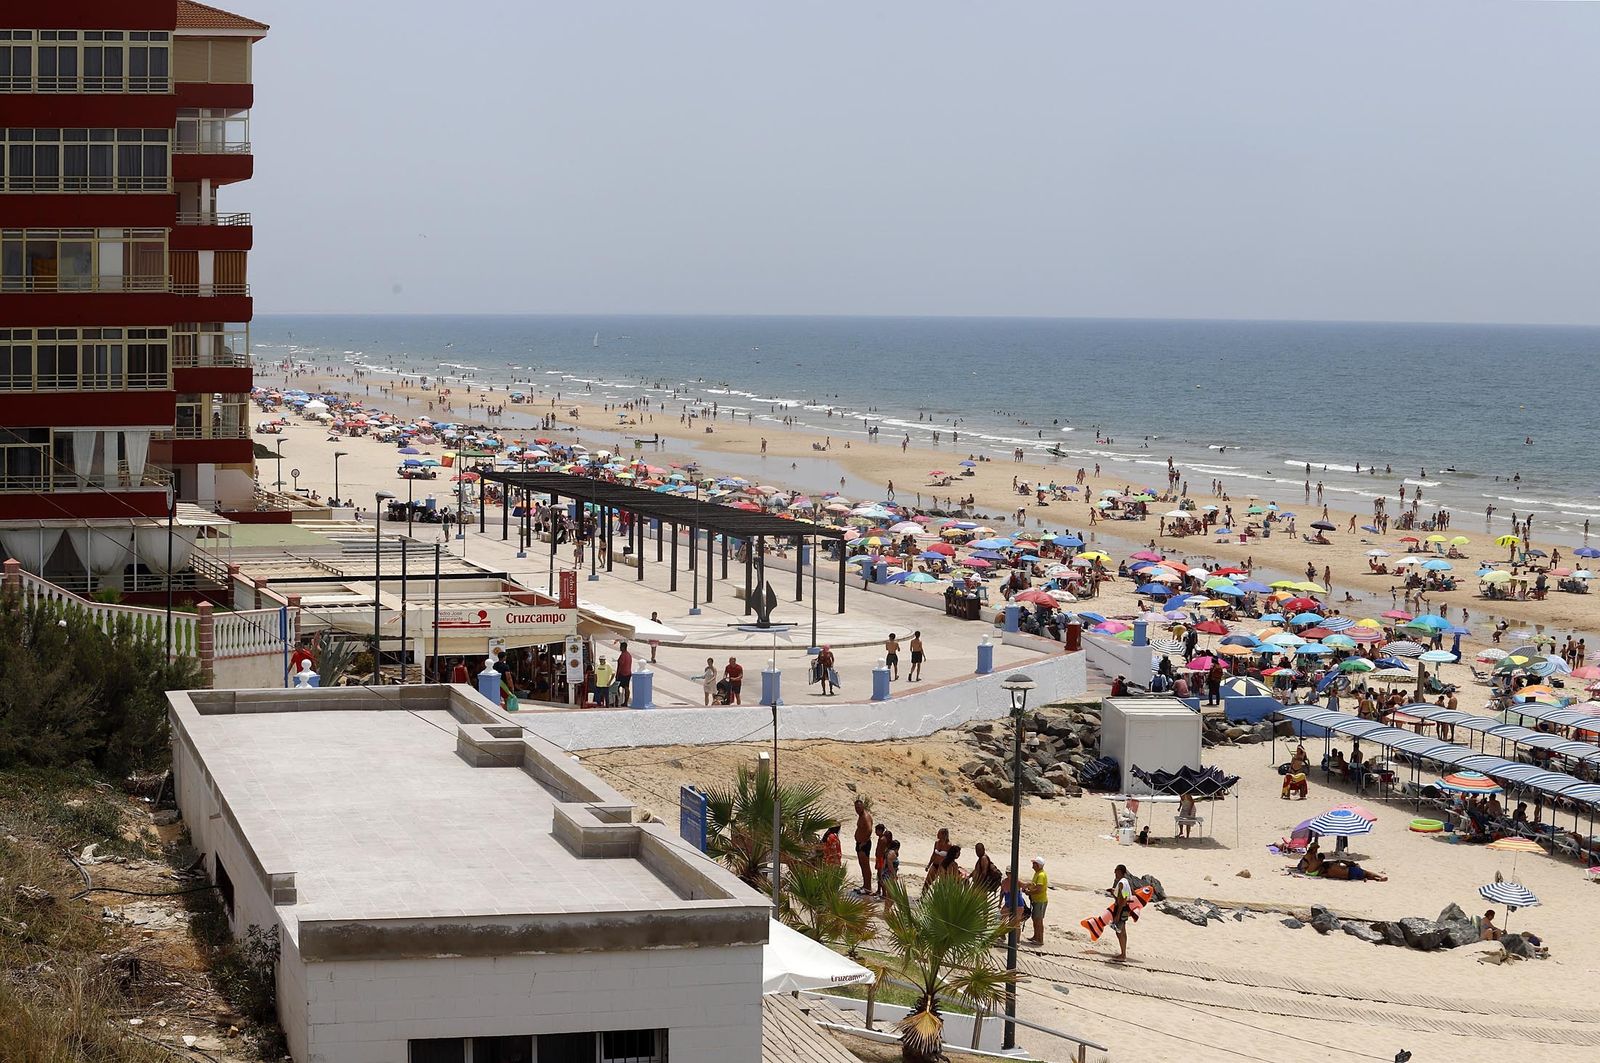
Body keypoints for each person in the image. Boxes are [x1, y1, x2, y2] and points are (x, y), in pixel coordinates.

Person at [1110, 864, 1134, 960]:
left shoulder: (1121, 883)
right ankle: (1123, 953)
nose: (1114, 872)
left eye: (1115, 870)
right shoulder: (1125, 882)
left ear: (1119, 871)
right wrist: (1114, 894)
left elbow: (1123, 899)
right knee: (1122, 931)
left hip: (1121, 908)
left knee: (1119, 932)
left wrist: (1117, 915)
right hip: (1125, 908)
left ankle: (1123, 955)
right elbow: (1125, 896)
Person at [1026, 857, 1049, 946]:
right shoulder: (1037, 873)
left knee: (1038, 920)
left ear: (1038, 865)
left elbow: (1039, 889)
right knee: (1035, 919)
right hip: (1036, 900)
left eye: (1034, 864)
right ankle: (1036, 936)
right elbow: (1035, 886)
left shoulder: (1041, 875)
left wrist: (1029, 892)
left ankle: (1040, 939)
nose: (1032, 866)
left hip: (1040, 901)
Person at [852, 798, 874, 894]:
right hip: (860, 843)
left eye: (859, 807)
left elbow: (869, 830)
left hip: (864, 844)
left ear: (863, 807)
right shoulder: (860, 816)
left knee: (865, 865)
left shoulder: (865, 816)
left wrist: (863, 842)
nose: (857, 809)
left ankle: (868, 888)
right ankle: (865, 885)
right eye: (856, 808)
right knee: (862, 865)